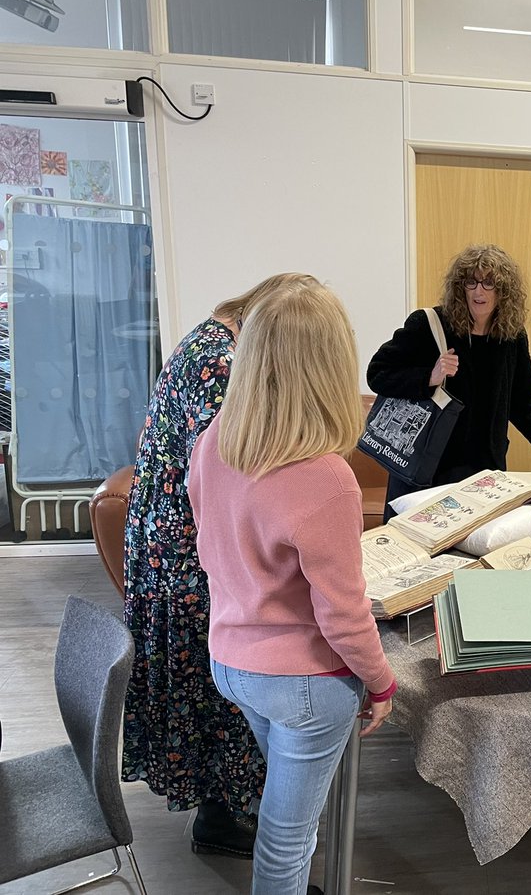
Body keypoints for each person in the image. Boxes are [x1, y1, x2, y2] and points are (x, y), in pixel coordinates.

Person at [189, 276, 398, 894]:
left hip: (231, 663)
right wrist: (381, 682)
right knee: (288, 840)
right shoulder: (326, 478)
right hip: (304, 685)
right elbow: (343, 615)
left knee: (289, 826)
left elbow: (213, 552)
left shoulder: (213, 443)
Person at [123, 275, 302, 857]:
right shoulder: (224, 366)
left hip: (165, 546)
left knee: (209, 689)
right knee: (224, 690)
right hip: (186, 557)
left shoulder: (206, 341)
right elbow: (239, 470)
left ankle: (222, 812)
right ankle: (224, 818)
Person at [367, 244, 531, 519]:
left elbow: (523, 401)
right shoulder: (429, 324)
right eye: (471, 282)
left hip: (483, 469)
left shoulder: (511, 336)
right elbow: (377, 374)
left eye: (489, 282)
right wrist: (429, 377)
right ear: (459, 287)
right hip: (427, 468)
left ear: (503, 290)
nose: (479, 291)